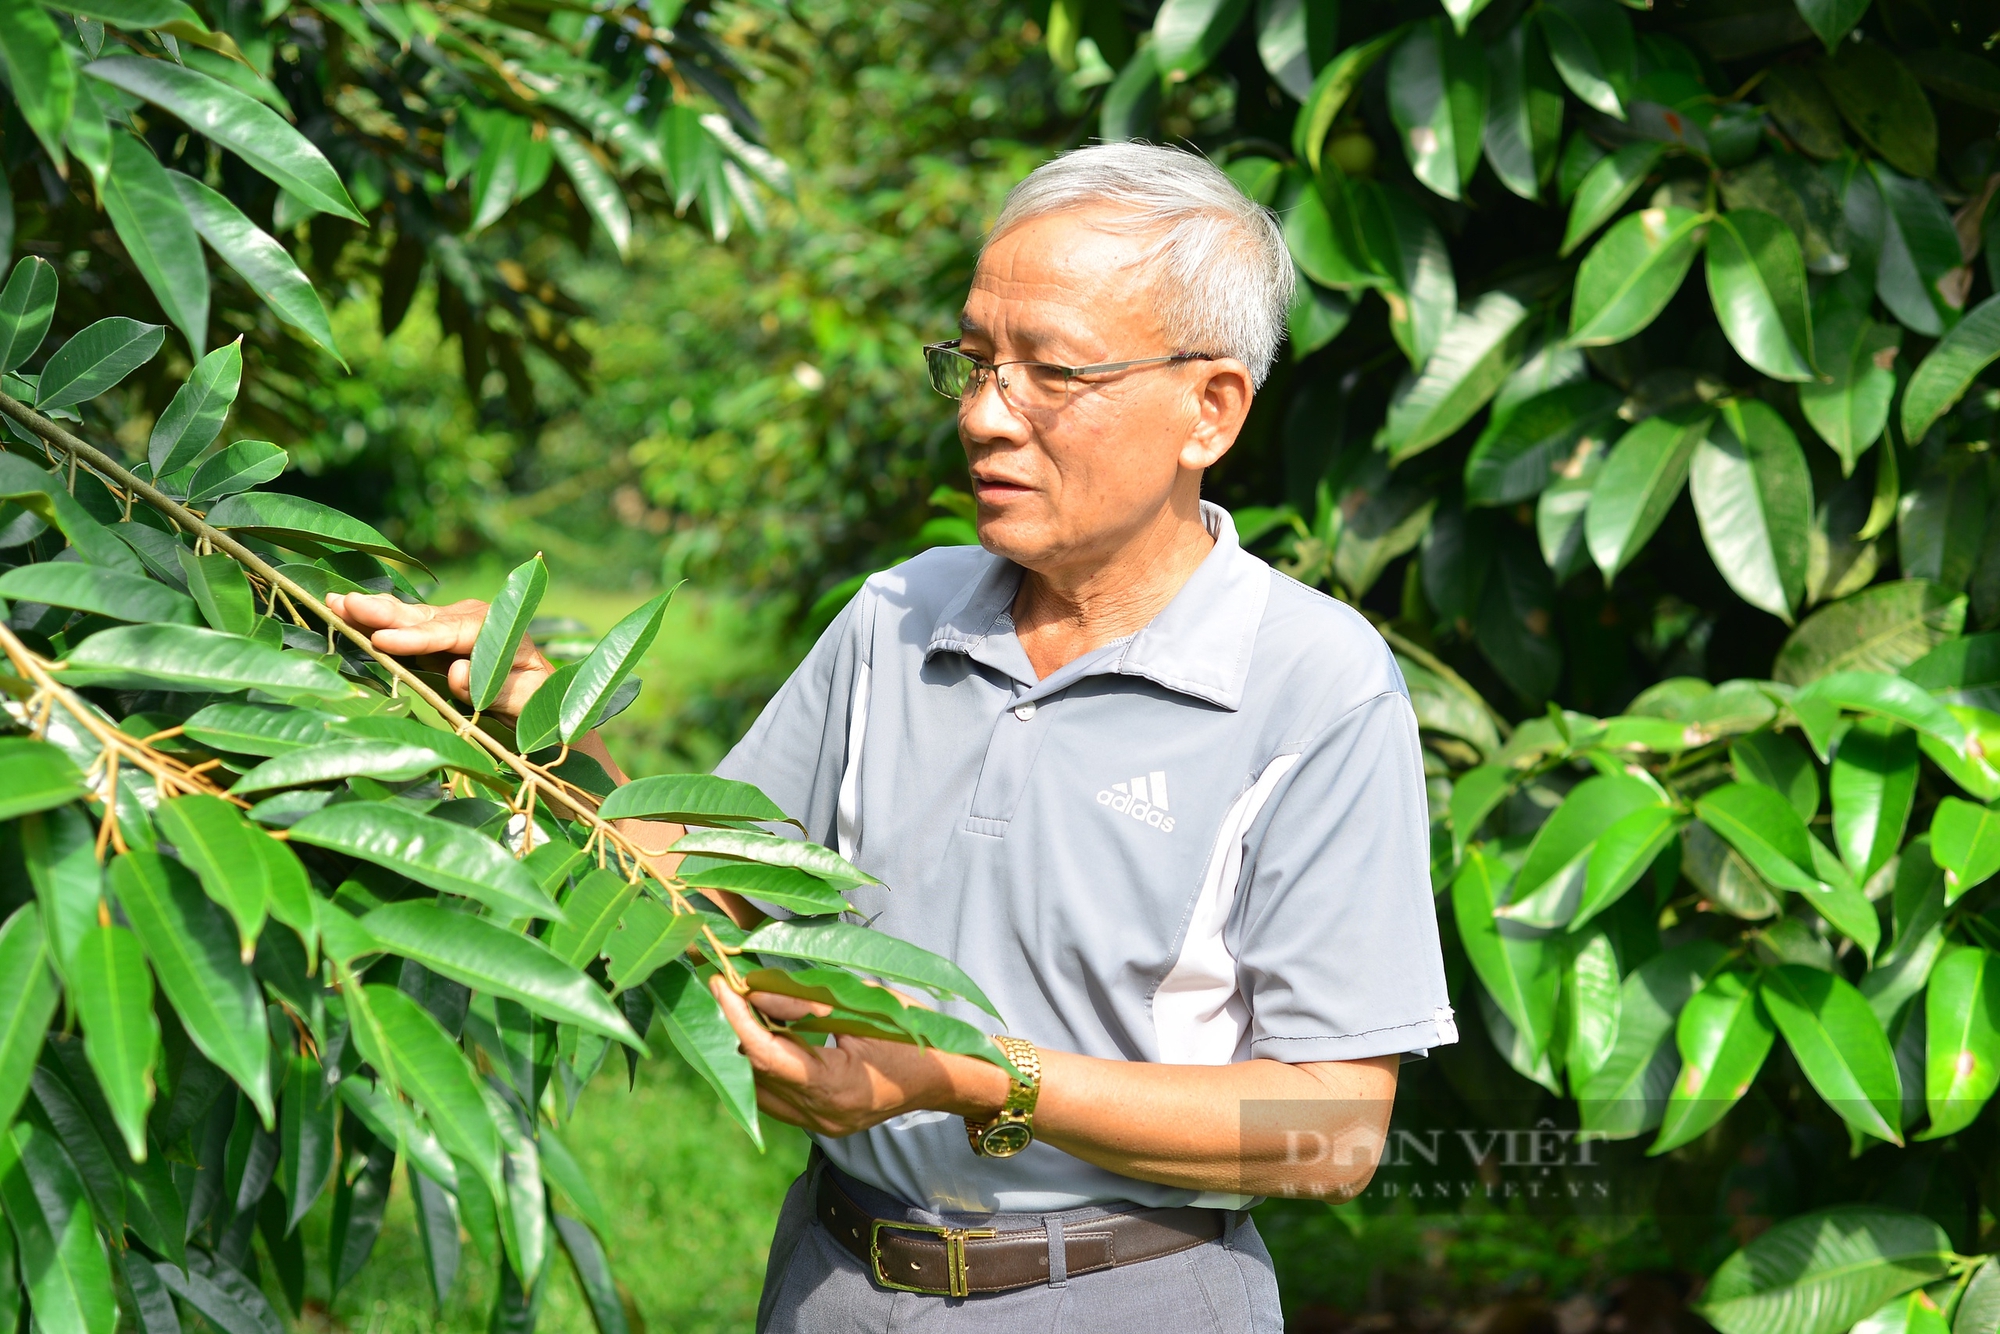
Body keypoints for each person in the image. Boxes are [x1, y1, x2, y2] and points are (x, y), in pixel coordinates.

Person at [330, 140, 1453, 1333]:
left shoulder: (1313, 684)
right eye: (972, 362)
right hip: (834, 1275)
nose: (983, 415)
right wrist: (540, 730)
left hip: (1123, 1291)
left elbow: (1330, 1128)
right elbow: (722, 891)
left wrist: (970, 1078)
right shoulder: (899, 616)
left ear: (1208, 409)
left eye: (1049, 374)